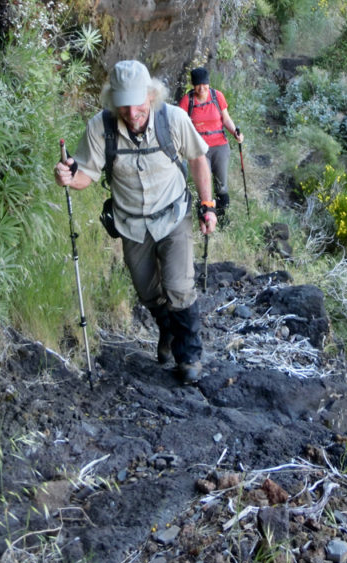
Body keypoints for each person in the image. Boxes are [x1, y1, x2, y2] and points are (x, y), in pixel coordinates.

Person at [54, 60, 217, 383]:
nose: (132, 113)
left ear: (151, 95)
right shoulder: (101, 127)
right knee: (148, 292)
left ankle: (189, 356)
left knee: (179, 287)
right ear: (114, 102)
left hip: (173, 215)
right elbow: (86, 174)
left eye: (138, 104)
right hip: (130, 223)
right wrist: (68, 178)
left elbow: (198, 159)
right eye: (124, 106)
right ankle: (167, 329)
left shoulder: (173, 119)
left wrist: (207, 205)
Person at [178, 67, 243, 223]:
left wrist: (235, 132)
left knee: (221, 185)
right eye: (198, 85)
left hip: (220, 146)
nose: (202, 88)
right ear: (193, 85)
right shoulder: (188, 101)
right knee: (204, 184)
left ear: (208, 83)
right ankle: (205, 217)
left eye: (204, 84)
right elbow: (179, 123)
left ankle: (221, 216)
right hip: (200, 149)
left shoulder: (217, 96)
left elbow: (226, 119)